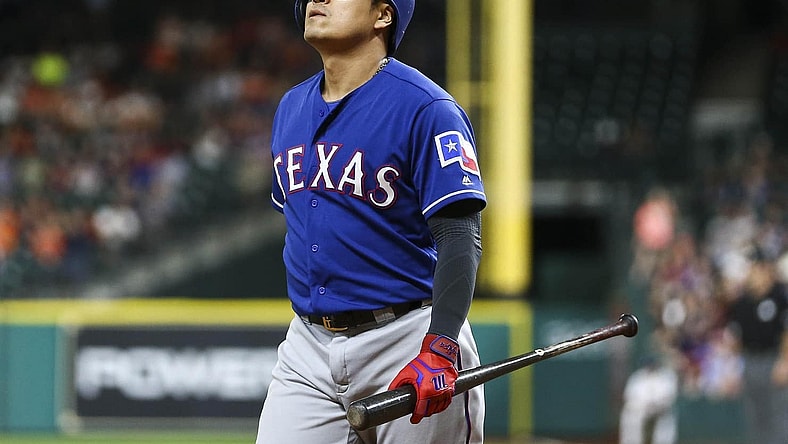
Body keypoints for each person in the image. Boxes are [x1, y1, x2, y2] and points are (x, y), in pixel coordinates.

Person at [255, 0, 486, 442]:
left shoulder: (427, 107)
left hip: (406, 336)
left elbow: (460, 235)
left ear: (383, 15)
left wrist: (441, 344)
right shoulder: (290, 108)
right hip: (309, 345)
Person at [725, 249, 788, 444]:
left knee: (778, 417)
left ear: (765, 269)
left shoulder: (779, 296)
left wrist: (784, 361)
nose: (752, 273)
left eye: (756, 267)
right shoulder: (742, 302)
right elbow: (736, 337)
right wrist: (735, 367)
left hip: (773, 360)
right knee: (755, 416)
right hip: (750, 360)